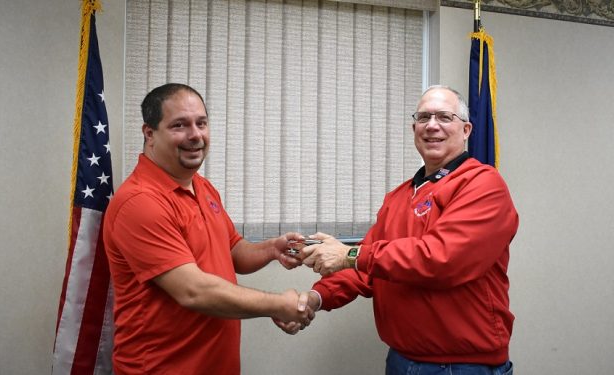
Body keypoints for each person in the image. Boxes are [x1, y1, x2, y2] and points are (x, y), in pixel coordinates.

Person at [298, 85, 518, 375]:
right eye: (424, 117)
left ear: (466, 130)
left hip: (464, 366)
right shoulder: (399, 197)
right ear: (414, 128)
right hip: (401, 360)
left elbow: (442, 259)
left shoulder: (483, 185)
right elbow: (366, 269)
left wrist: (349, 254)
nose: (432, 126)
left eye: (444, 117)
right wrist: (314, 299)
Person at [103, 83, 314, 374]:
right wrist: (277, 304)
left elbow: (233, 251)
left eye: (201, 123)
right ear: (149, 134)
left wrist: (270, 249)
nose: (195, 135)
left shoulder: (202, 187)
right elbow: (193, 291)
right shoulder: (139, 202)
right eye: (180, 125)